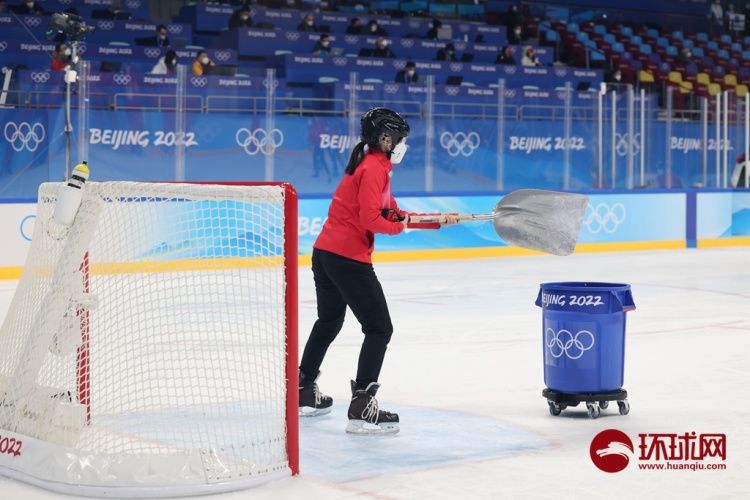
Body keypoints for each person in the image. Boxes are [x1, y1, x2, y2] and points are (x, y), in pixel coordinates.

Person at [297, 108, 458, 434]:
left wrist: (435, 220)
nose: (402, 145)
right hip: (347, 258)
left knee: (329, 321)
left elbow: (392, 211)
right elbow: (374, 220)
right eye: (399, 138)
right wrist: (403, 227)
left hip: (325, 252)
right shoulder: (373, 168)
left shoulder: (372, 164)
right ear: (385, 139)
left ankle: (302, 391)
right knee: (379, 328)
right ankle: (361, 407)